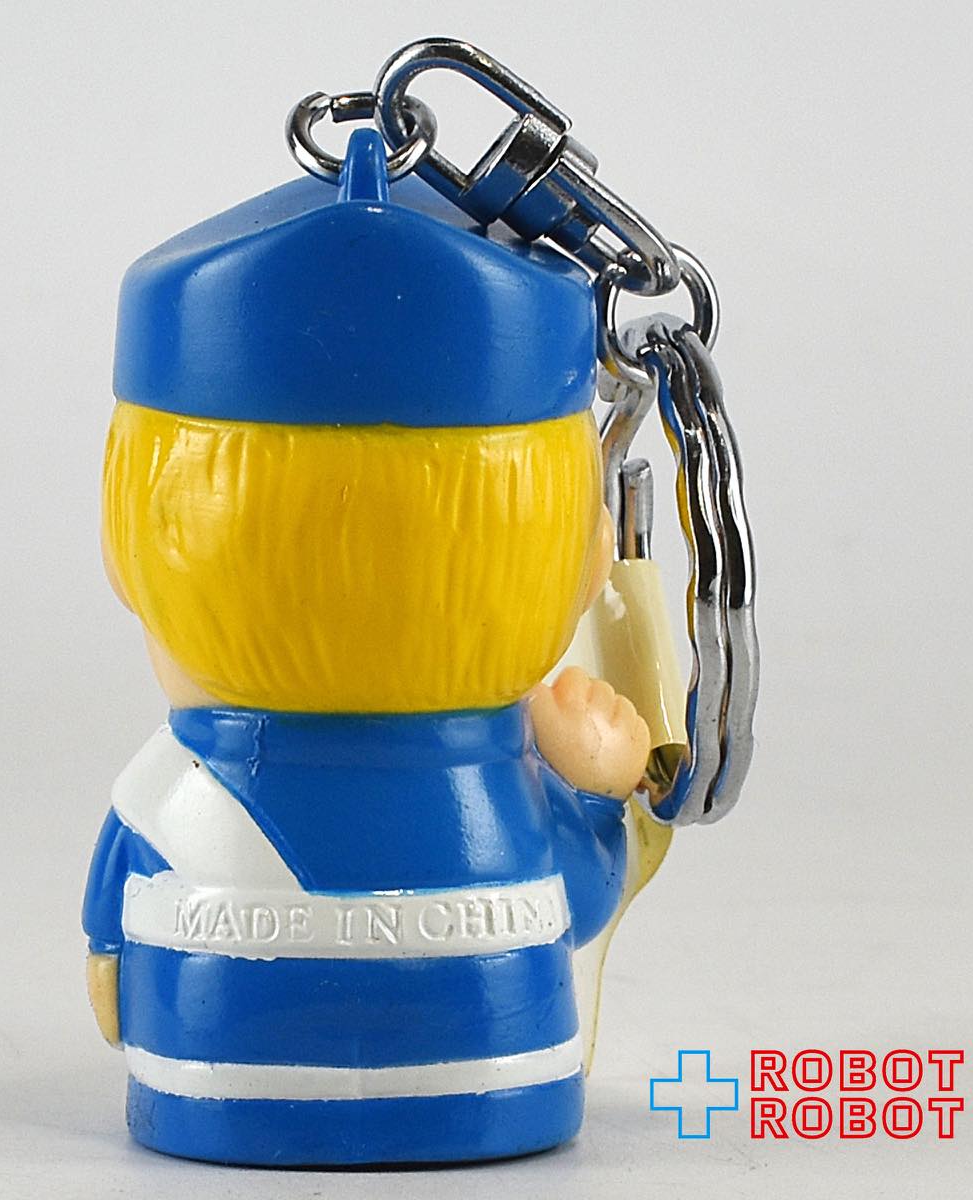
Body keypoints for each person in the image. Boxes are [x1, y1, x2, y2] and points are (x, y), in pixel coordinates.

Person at [82, 131, 651, 1166]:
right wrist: (605, 788)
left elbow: (110, 952)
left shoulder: (176, 792)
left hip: (210, 1065)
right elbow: (582, 893)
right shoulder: (498, 802)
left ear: (137, 551)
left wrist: (111, 962)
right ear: (578, 548)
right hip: (495, 1071)